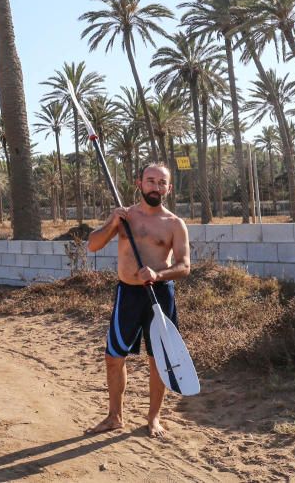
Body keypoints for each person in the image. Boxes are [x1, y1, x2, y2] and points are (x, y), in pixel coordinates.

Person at [86, 162, 191, 439]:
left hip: (159, 295)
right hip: (128, 294)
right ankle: (114, 417)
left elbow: (184, 266)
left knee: (158, 360)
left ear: (168, 188)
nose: (156, 186)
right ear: (139, 183)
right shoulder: (125, 217)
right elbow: (93, 245)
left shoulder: (174, 224)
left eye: (161, 182)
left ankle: (153, 417)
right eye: (150, 180)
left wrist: (158, 273)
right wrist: (112, 222)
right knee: (113, 357)